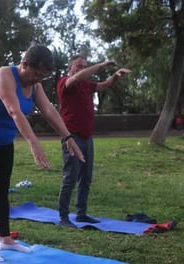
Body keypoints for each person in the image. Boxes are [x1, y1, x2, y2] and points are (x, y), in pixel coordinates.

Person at [0, 44, 84, 262]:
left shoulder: (35, 87)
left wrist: (68, 137)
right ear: (25, 64)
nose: (37, 80)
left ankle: (5, 239)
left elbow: (49, 111)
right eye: (36, 74)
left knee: (1, 190)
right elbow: (14, 110)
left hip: (3, 142)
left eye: (43, 78)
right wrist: (33, 141)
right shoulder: (4, 76)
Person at [56, 55, 131, 227]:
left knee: (86, 177)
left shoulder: (87, 86)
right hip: (71, 137)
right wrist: (101, 65)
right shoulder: (65, 82)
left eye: (85, 66)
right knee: (70, 177)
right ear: (70, 69)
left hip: (87, 137)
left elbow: (105, 85)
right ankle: (63, 217)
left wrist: (116, 75)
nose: (82, 69)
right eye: (79, 66)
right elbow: (75, 78)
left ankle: (81, 214)